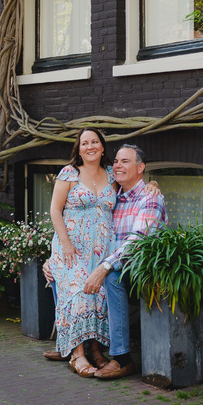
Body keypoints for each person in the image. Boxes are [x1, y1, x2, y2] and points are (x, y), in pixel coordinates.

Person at [82, 144, 166, 380]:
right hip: (112, 263)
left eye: (125, 161)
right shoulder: (112, 197)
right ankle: (77, 347)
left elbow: (139, 241)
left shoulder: (150, 197)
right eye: (116, 161)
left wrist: (104, 267)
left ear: (140, 168)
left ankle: (122, 358)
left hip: (141, 270)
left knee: (111, 276)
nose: (118, 165)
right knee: (69, 273)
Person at [48, 127, 115, 377]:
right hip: (72, 246)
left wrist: (151, 183)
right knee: (77, 295)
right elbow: (55, 210)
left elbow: (132, 188)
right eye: (85, 143)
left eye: (94, 141)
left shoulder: (111, 173)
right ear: (78, 148)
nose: (90, 146)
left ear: (102, 147)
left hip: (103, 247)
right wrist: (65, 243)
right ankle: (77, 355)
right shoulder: (69, 173)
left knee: (100, 297)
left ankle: (96, 351)